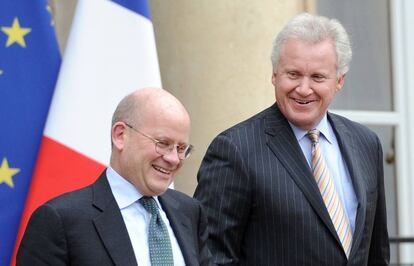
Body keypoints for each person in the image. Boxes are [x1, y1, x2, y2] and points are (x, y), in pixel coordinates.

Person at [194, 12, 389, 265]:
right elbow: (211, 257)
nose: (304, 89)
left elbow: (376, 254)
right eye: (293, 74)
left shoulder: (366, 144)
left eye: (318, 77)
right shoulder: (235, 149)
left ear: (340, 81)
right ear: (275, 74)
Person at [17, 88, 211, 266]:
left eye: (181, 148)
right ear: (120, 135)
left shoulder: (190, 212)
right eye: (162, 143)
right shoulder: (60, 220)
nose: (174, 159)